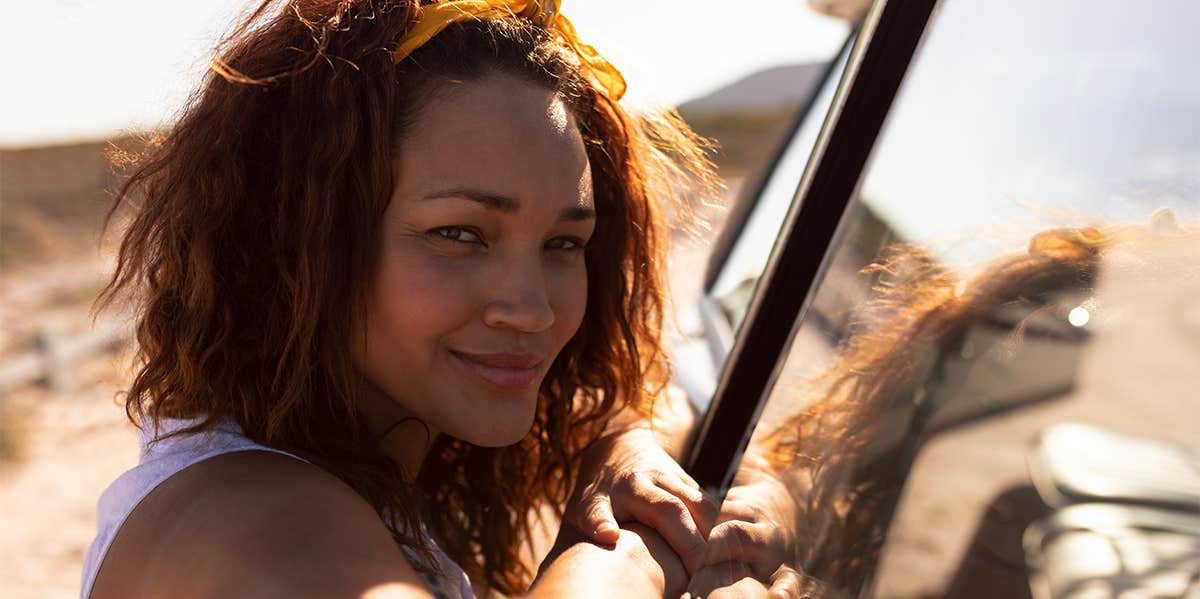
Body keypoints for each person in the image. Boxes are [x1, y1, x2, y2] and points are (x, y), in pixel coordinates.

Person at [81, 1, 740, 597]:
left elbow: (671, 408)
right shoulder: (260, 522)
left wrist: (629, 452)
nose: (533, 308)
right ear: (306, 243)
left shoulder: (346, 468)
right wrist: (626, 558)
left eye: (564, 243)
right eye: (460, 234)